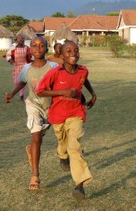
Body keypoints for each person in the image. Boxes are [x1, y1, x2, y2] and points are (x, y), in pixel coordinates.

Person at [36, 41, 97, 201]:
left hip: (76, 113)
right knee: (62, 141)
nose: (73, 54)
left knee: (74, 147)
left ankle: (80, 185)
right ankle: (62, 155)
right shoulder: (55, 73)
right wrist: (63, 91)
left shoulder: (83, 70)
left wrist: (92, 93)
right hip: (58, 115)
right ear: (61, 56)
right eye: (68, 51)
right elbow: (40, 91)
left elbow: (85, 80)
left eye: (76, 50)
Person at [5, 36, 58, 190]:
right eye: (34, 45)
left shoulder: (54, 66)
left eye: (42, 45)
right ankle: (35, 175)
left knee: (39, 136)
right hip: (33, 105)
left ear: (47, 49)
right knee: (36, 136)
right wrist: (12, 94)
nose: (37, 48)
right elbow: (22, 81)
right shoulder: (26, 68)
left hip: (51, 107)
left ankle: (31, 148)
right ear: (30, 49)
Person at [6, 34, 33, 101]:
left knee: (22, 81)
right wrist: (10, 60)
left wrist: (30, 57)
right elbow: (8, 55)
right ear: (16, 40)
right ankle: (18, 92)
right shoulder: (13, 48)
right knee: (16, 82)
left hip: (25, 66)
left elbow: (32, 56)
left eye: (22, 39)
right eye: (19, 39)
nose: (21, 40)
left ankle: (22, 96)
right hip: (17, 66)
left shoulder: (26, 48)